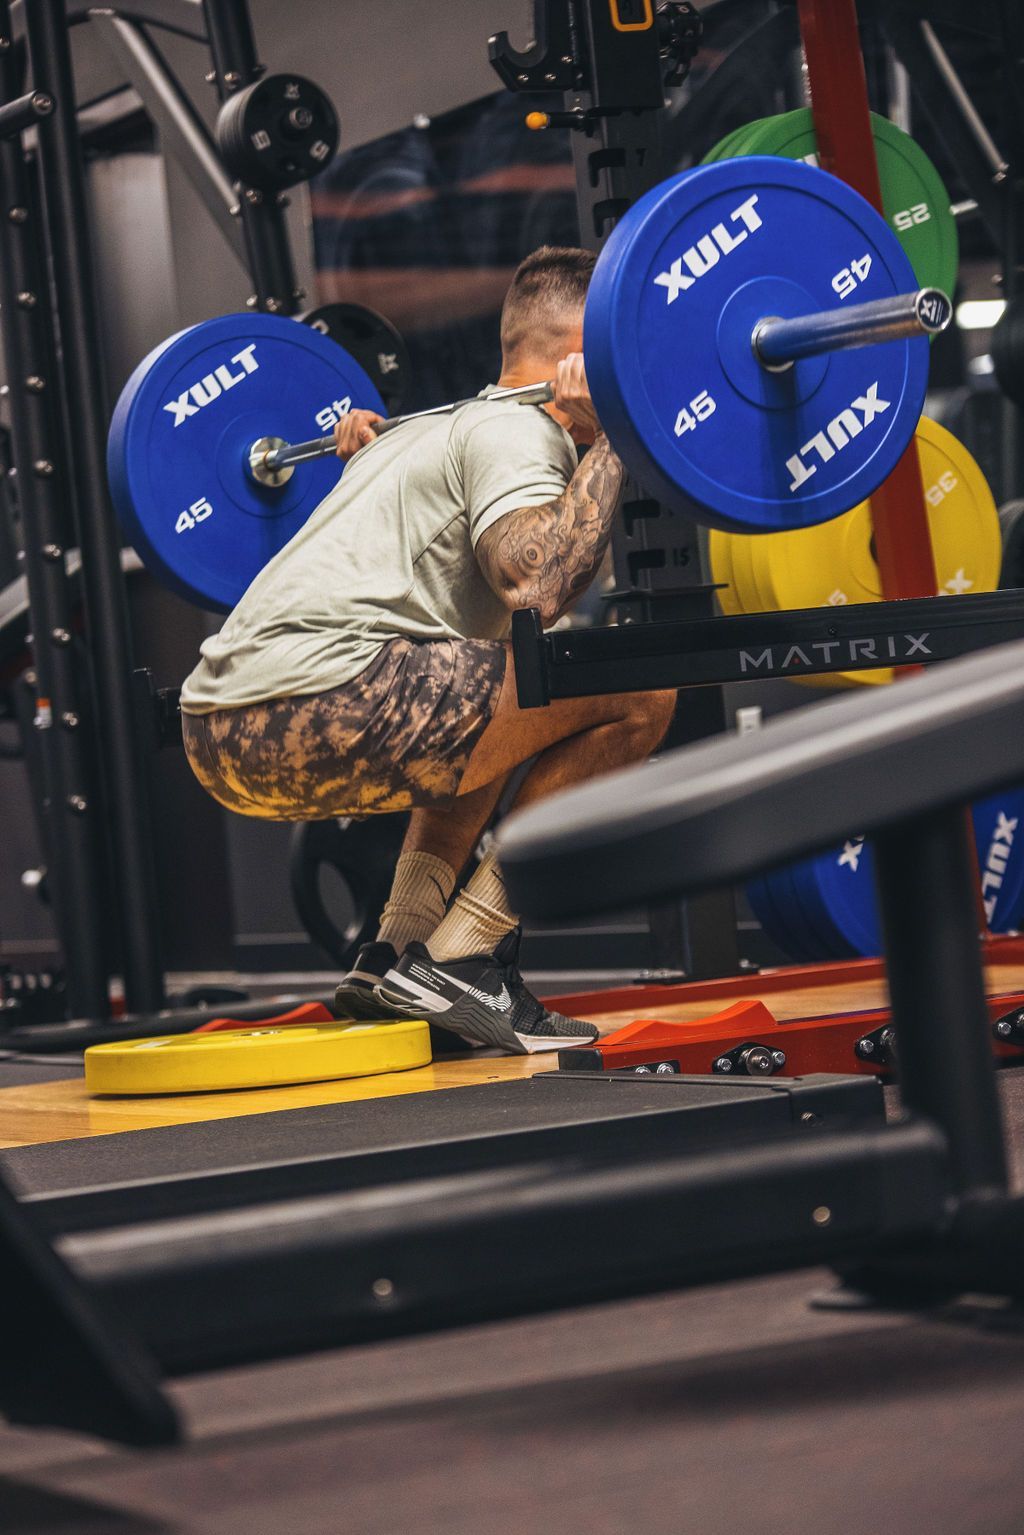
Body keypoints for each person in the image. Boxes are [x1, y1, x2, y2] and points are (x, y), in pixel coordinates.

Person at [180, 246, 677, 1054]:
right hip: (322, 697)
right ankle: (469, 956)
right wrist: (613, 434)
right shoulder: (518, 433)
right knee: (643, 686)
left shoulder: (410, 438)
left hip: (222, 732)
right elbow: (540, 582)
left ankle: (396, 955)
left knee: (488, 694)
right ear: (585, 355)